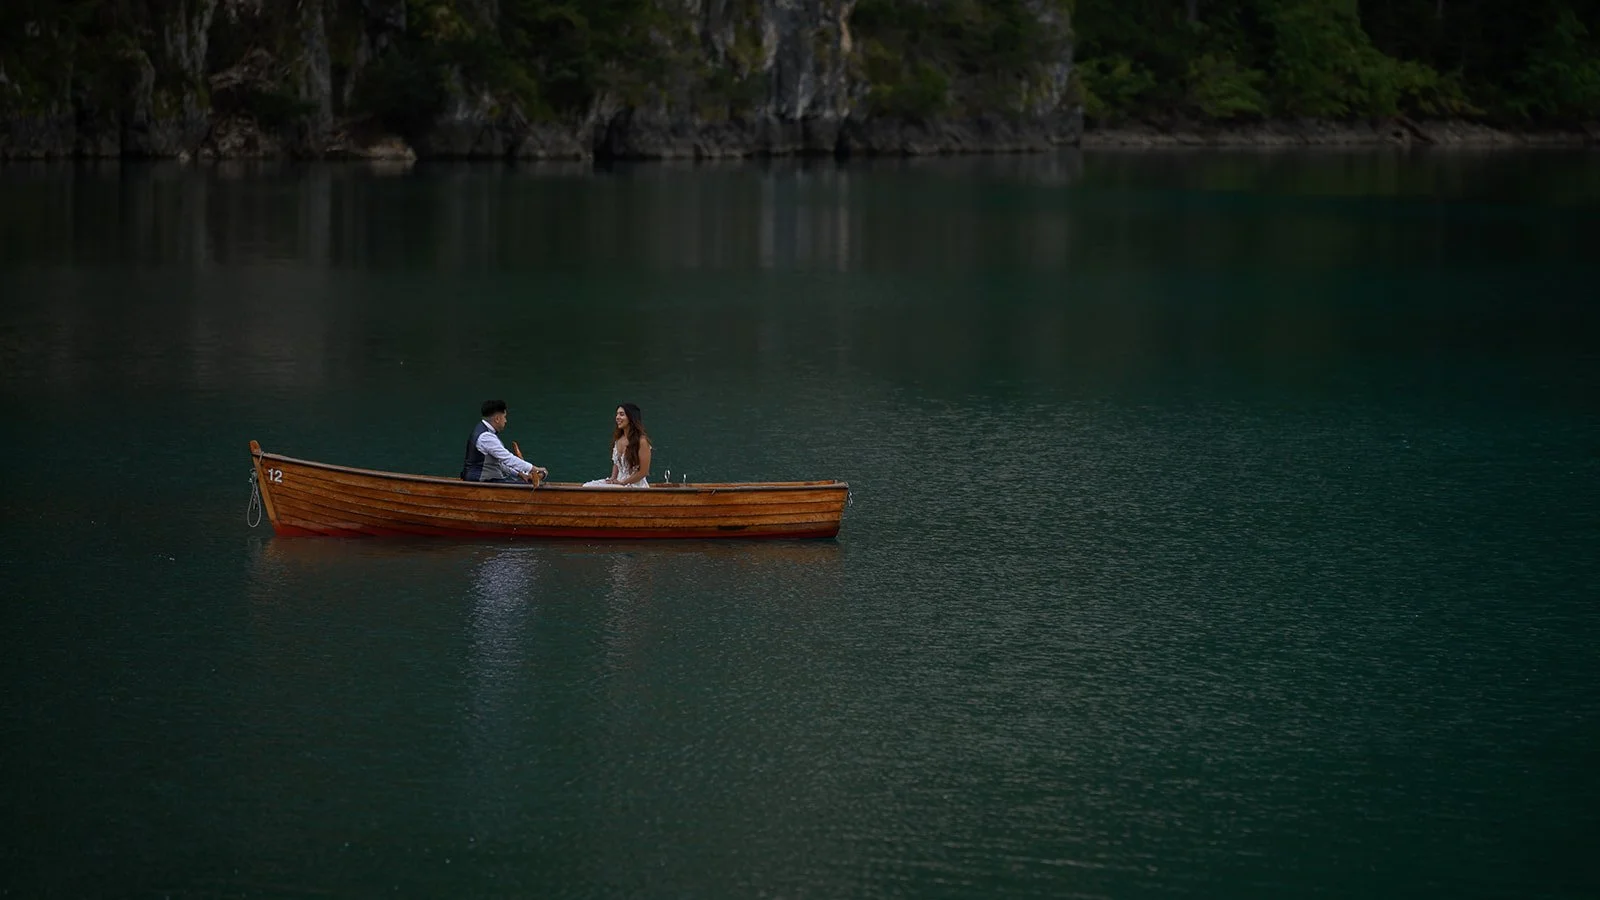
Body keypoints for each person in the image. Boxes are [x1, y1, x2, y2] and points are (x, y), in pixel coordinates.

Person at [461, 400, 548, 484]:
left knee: (526, 481)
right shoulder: (486, 437)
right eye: (504, 417)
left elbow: (499, 463)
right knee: (530, 483)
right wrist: (533, 469)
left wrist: (519, 474)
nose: (505, 421)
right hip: (481, 481)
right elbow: (508, 459)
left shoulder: (485, 432)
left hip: (485, 479)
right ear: (497, 419)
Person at [583, 403, 652, 488]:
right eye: (617, 414)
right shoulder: (618, 439)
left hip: (634, 485)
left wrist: (623, 483)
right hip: (619, 483)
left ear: (631, 417)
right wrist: (612, 479)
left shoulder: (642, 441)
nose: (617, 417)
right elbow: (616, 464)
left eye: (621, 414)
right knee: (587, 486)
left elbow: (644, 472)